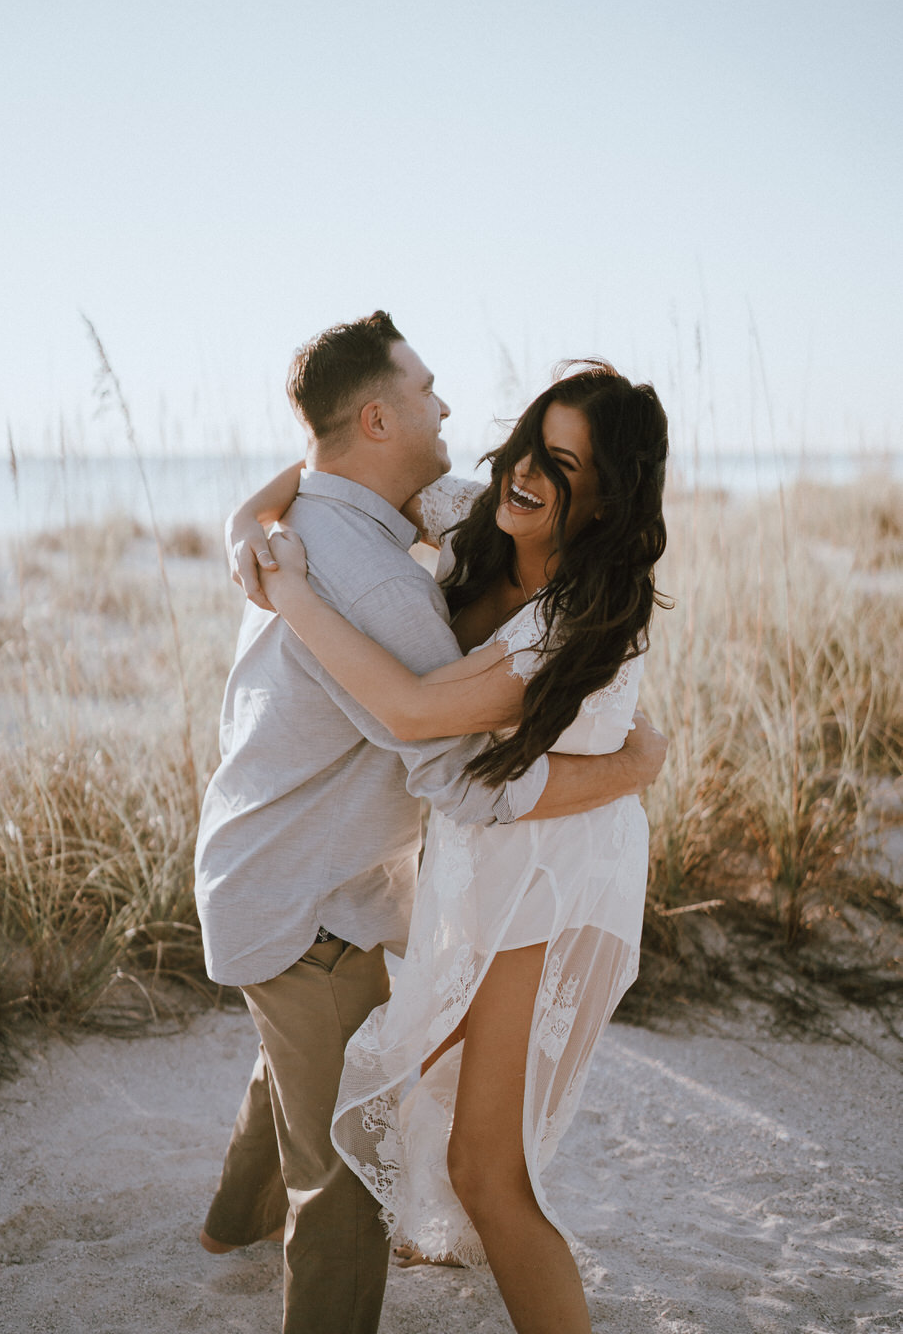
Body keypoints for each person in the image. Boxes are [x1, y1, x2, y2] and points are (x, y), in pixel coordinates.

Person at [194, 313, 667, 1334]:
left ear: (607, 497)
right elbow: (328, 468)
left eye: (564, 465)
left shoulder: (559, 615)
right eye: (532, 443)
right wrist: (249, 520)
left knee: (452, 1138)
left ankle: (243, 1222)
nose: (527, 469)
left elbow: (424, 725)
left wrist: (283, 580)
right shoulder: (463, 520)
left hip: (534, 864)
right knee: (364, 1103)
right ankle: (248, 1222)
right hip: (425, 855)